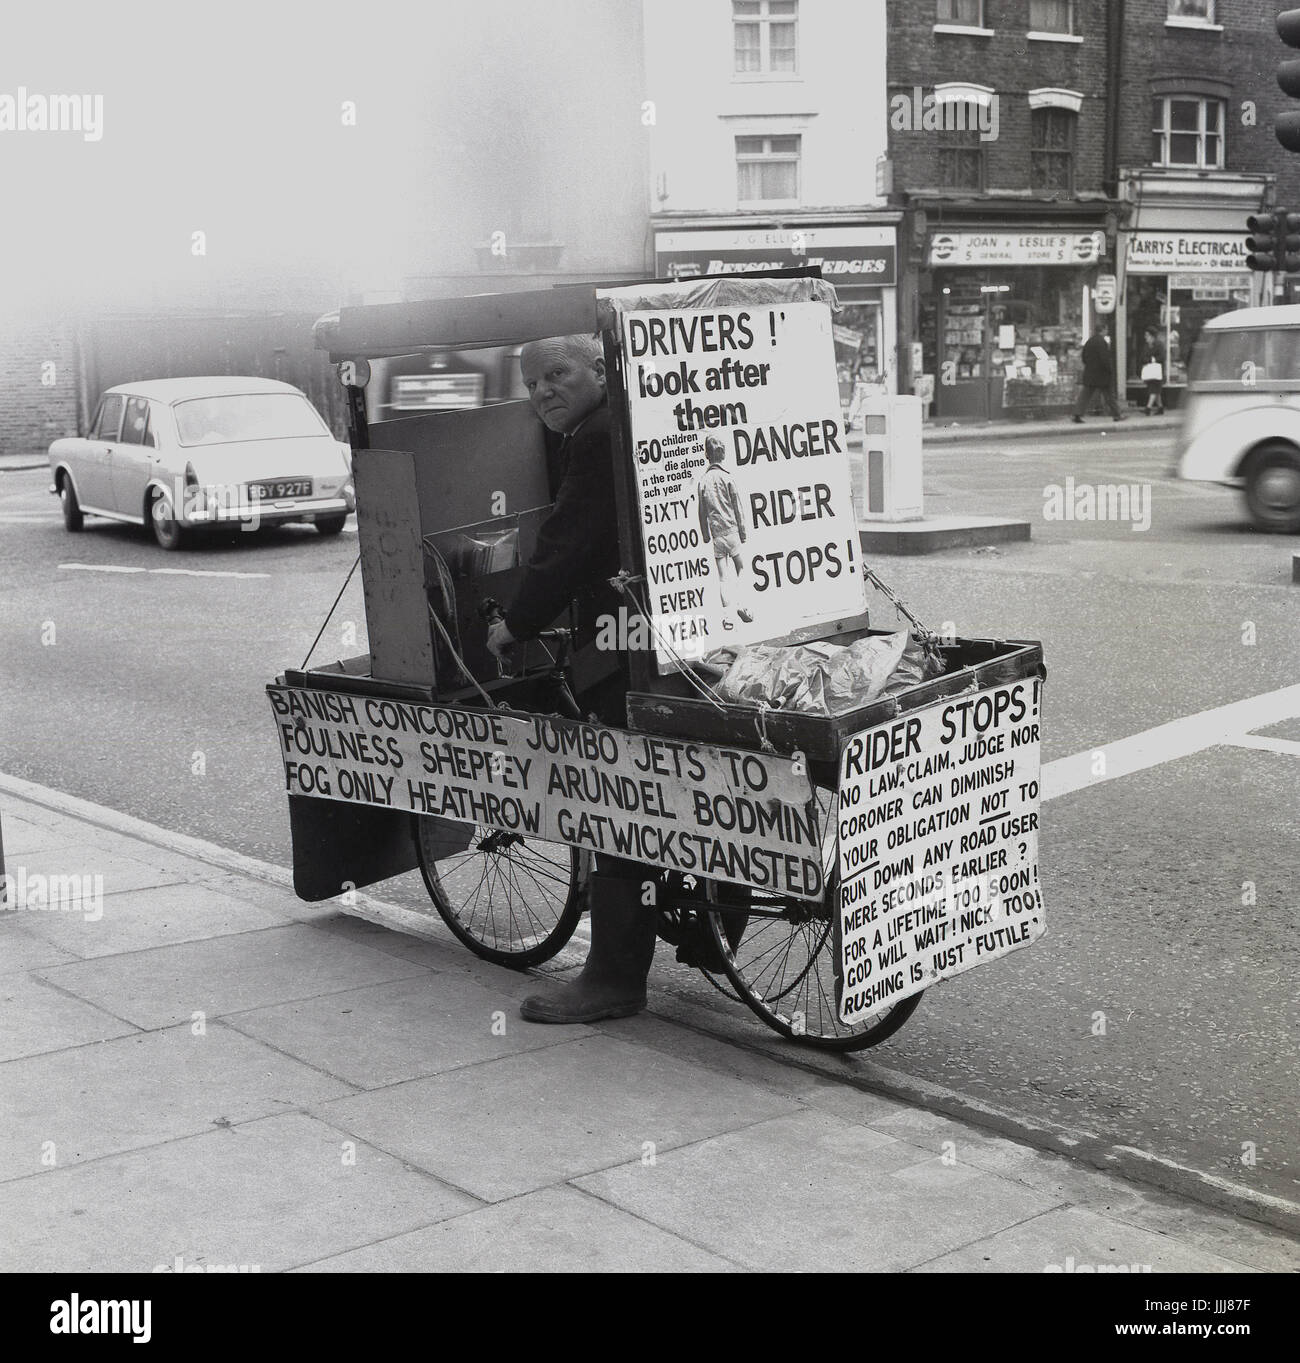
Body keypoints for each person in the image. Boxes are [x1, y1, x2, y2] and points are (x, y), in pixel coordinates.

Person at [485, 334, 658, 1025]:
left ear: (598, 368)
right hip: (684, 632)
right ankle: (713, 918)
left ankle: (614, 976)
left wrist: (515, 624)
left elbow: (566, 547)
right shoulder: (632, 414)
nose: (542, 392)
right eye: (531, 383)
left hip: (632, 645)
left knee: (617, 798)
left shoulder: (595, 438)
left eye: (556, 374)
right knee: (676, 785)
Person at [695, 435, 752, 629]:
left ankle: (727, 618)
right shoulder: (727, 477)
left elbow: (701, 512)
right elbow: (738, 508)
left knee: (723, 577)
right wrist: (743, 532)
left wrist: (705, 534)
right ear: (723, 454)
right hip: (732, 532)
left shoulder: (702, 482)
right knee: (742, 568)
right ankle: (743, 605)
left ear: (707, 455)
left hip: (717, 536)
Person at [1072, 327, 1127, 422]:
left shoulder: (1089, 341)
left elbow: (1084, 357)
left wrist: (1089, 365)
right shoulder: (1102, 342)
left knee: (1085, 395)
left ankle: (1077, 414)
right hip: (1102, 374)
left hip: (1090, 373)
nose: (1107, 331)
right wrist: (1109, 369)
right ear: (1103, 330)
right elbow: (1104, 359)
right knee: (1109, 395)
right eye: (1106, 330)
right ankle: (1117, 414)